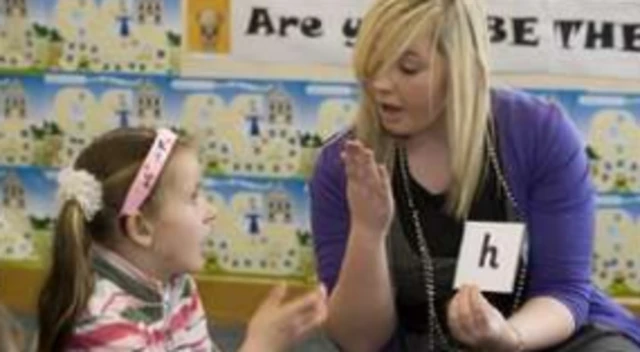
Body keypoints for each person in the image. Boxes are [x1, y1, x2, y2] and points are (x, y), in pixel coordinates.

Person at [308, 0, 640, 351]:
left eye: (407, 69)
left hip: (542, 335)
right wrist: (367, 230)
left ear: (463, 70)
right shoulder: (344, 164)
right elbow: (359, 340)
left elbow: (563, 290)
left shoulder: (540, 133)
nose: (380, 85)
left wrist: (506, 338)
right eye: (372, 66)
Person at [37, 127, 327, 351]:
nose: (211, 212)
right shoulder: (103, 322)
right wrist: (260, 345)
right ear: (141, 228)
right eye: (193, 197)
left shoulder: (175, 282)